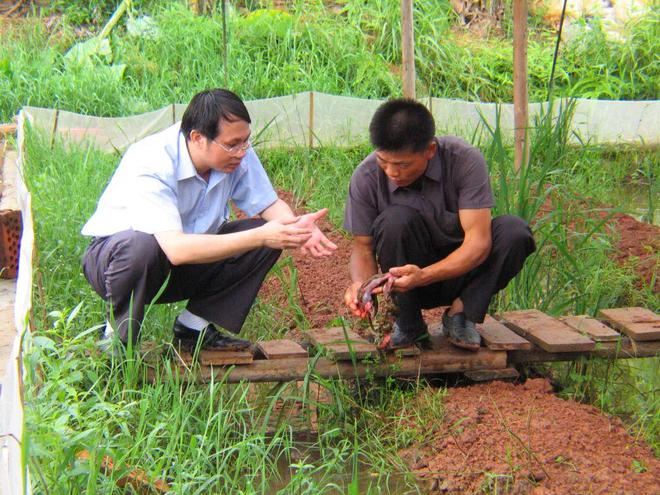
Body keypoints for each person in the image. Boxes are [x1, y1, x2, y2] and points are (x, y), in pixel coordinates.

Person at [82, 88, 337, 351]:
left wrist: (295, 227)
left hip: (179, 263)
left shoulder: (235, 156)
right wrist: (262, 235)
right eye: (232, 144)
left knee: (268, 234)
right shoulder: (151, 160)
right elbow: (176, 249)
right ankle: (116, 337)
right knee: (141, 246)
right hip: (119, 265)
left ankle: (193, 328)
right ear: (198, 138)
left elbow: (268, 204)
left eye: (245, 141)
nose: (241, 151)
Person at [343, 98, 535, 351]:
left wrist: (423, 276)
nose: (391, 172)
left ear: (430, 150)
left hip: (464, 272)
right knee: (394, 220)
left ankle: (461, 313)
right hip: (404, 283)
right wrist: (362, 287)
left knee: (514, 232)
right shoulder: (366, 176)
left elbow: (478, 243)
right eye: (383, 161)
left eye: (402, 164)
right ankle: (408, 324)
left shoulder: (464, 160)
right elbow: (362, 248)